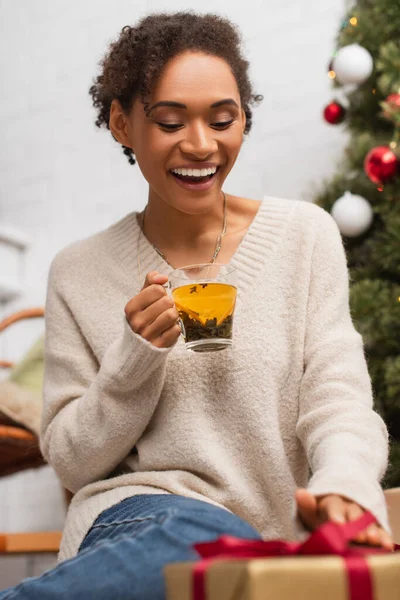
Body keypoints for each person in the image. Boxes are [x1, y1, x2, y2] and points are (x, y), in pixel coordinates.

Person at [0, 11, 394, 600]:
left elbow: (337, 399)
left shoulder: (303, 237)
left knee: (233, 555)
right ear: (121, 124)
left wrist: (344, 487)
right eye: (169, 121)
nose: (202, 145)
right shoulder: (78, 272)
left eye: (223, 119)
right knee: (194, 531)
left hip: (266, 547)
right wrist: (134, 359)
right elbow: (73, 461)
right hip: (136, 519)